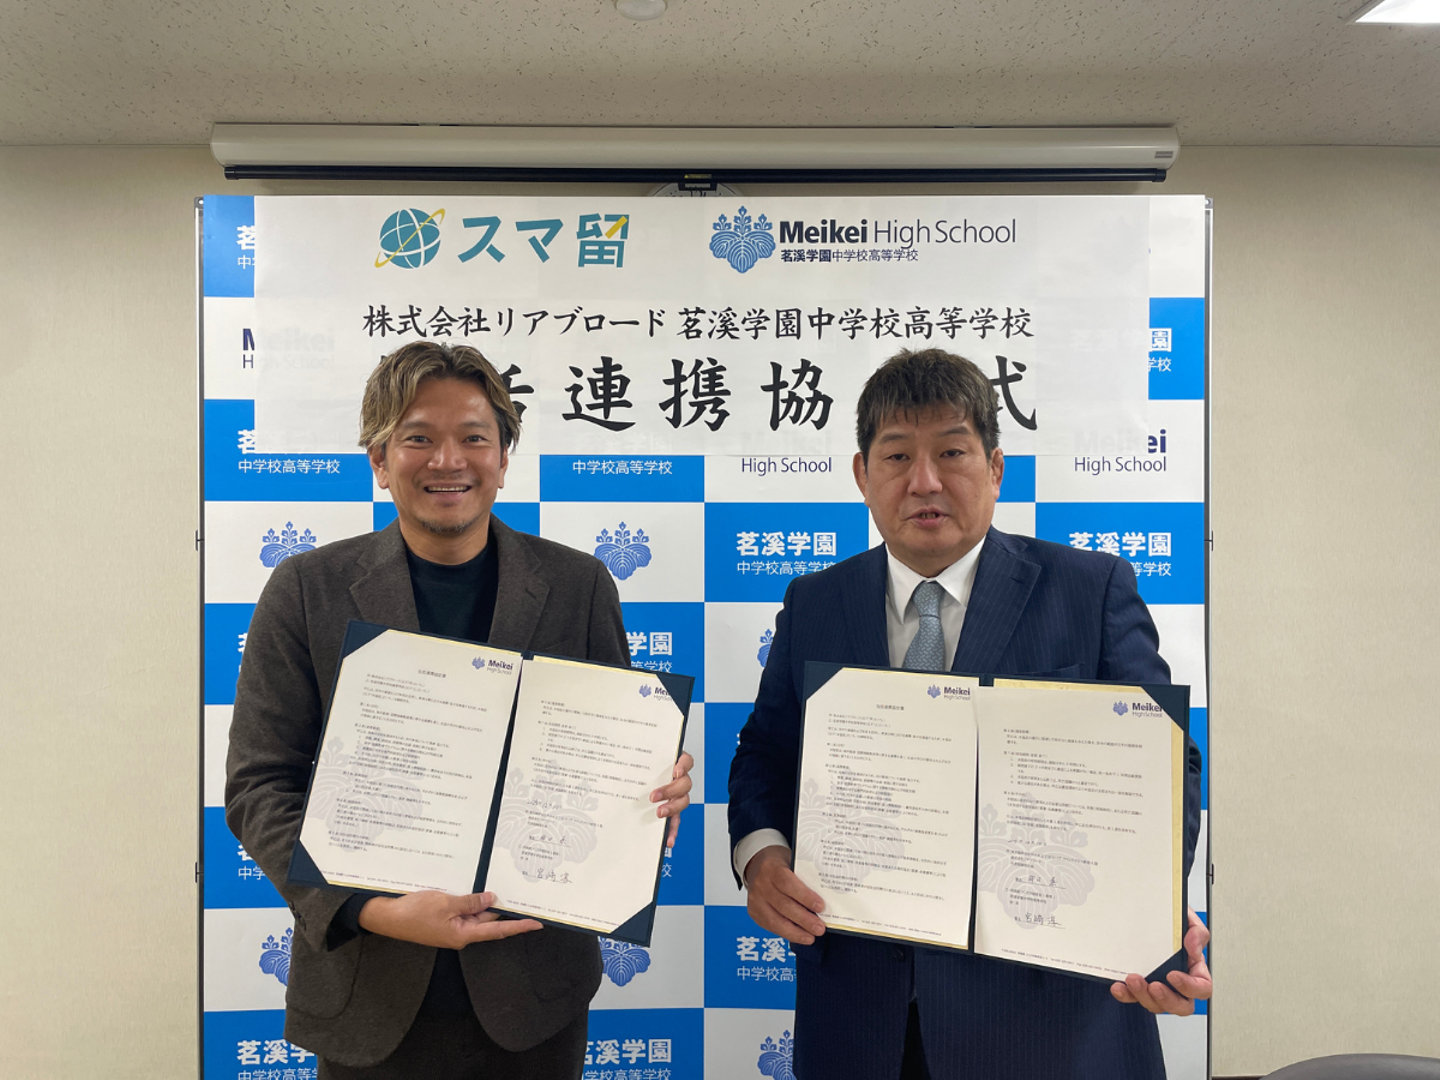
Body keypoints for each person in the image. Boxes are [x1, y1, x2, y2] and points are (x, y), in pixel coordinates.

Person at [728, 347, 1210, 1080]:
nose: (924, 481)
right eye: (897, 456)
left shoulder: (1089, 590)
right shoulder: (814, 602)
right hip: (864, 1019)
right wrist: (762, 855)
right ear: (862, 475)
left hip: (1049, 1025)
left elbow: (1167, 764)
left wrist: (1150, 911)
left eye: (951, 452)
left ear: (995, 468)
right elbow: (765, 752)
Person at [226, 341, 694, 1079]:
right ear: (380, 460)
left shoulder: (577, 586)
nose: (448, 460)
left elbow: (605, 759)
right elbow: (258, 786)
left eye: (474, 437)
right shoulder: (308, 589)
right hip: (367, 988)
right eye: (418, 438)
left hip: (533, 992)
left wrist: (649, 791)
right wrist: (372, 909)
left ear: (503, 458)